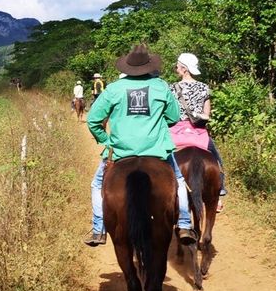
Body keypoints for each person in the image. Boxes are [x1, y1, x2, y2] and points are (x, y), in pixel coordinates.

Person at [84, 44, 196, 247]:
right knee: (178, 181)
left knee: (97, 185)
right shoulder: (161, 86)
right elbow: (173, 117)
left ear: (127, 67)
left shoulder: (114, 89)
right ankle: (184, 224)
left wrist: (106, 141)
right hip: (157, 150)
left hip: (121, 151)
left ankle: (98, 230)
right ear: (148, 66)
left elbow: (93, 120)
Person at [171, 52, 227, 210]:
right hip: (198, 134)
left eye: (177, 66)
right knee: (216, 159)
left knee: (160, 158)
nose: (176, 68)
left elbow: (169, 113)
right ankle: (219, 192)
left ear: (184, 69)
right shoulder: (204, 87)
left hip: (176, 133)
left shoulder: (171, 88)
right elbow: (207, 114)